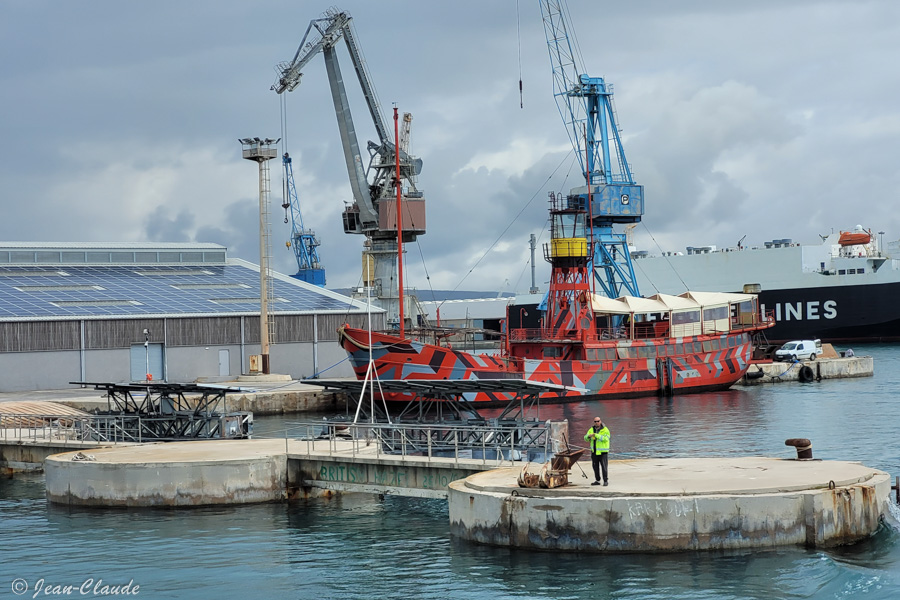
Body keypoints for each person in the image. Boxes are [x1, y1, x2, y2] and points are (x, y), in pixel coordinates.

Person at [584, 416, 610, 486]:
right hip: (594, 452)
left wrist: (596, 435)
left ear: (600, 421)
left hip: (602, 452)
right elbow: (585, 438)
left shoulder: (605, 429)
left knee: (604, 467)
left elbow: (606, 439)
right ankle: (597, 480)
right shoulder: (591, 429)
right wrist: (588, 436)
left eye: (598, 421)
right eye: (595, 421)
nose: (596, 423)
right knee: (595, 467)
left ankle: (605, 480)